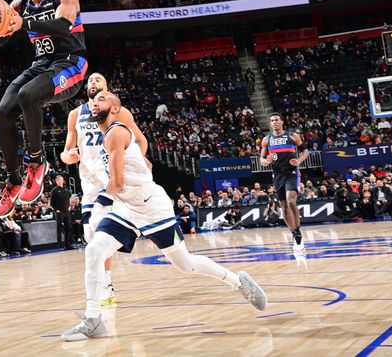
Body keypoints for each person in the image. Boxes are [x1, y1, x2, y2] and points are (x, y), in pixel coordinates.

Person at [62, 91, 266, 341]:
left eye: (102, 99)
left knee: (185, 264)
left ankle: (238, 282)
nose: (94, 101)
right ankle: (93, 319)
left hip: (150, 207)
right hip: (127, 206)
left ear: (115, 109)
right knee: (94, 251)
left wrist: (100, 207)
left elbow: (117, 181)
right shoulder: (104, 136)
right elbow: (137, 168)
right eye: (93, 100)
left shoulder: (116, 131)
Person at [0, 0, 88, 218]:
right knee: (3, 112)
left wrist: (24, 22)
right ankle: (13, 181)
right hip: (41, 64)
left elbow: (63, 25)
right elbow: (1, 39)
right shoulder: (18, 3)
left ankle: (36, 162)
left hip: (70, 62)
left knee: (27, 95)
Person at [60, 72, 149, 306]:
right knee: (91, 235)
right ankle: (107, 285)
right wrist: (68, 156)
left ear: (107, 88)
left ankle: (134, 236)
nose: (93, 82)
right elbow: (66, 150)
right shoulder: (75, 115)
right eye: (90, 80)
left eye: (98, 80)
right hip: (90, 183)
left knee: (104, 233)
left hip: (114, 178)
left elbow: (141, 140)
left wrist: (139, 159)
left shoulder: (119, 112)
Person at [259, 112, 309, 253]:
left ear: (281, 122)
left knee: (290, 200)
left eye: (276, 120)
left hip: (292, 173)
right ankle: (293, 233)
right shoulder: (266, 140)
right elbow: (261, 160)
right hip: (278, 175)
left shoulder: (293, 136)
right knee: (283, 206)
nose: (274, 122)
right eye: (272, 121)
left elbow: (305, 151)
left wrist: (299, 160)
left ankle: (298, 233)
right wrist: (266, 161)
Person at [50, 175, 73, 250]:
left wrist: (69, 206)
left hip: (67, 211)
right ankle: (60, 245)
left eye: (61, 179)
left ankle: (67, 244)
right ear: (56, 181)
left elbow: (68, 199)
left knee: (68, 228)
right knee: (59, 228)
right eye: (58, 180)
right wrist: (56, 210)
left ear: (63, 181)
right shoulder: (54, 190)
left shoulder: (66, 189)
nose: (60, 181)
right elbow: (51, 203)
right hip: (59, 212)